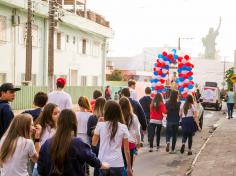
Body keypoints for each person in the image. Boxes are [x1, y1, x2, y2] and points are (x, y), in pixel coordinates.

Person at [37, 109, 109, 176]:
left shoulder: (47, 143)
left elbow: (40, 169)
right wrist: (104, 165)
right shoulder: (78, 143)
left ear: (58, 122)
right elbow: (92, 159)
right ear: (74, 123)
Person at [92, 101, 133, 176]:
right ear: (118, 112)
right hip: (118, 164)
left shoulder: (100, 125)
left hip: (103, 163)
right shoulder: (123, 127)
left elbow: (94, 143)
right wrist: (129, 168)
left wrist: (98, 122)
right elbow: (126, 150)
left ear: (106, 112)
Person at [32, 103, 61, 176]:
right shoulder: (47, 130)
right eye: (55, 113)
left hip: (43, 166)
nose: (58, 115)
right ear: (48, 115)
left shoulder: (55, 127)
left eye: (59, 112)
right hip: (45, 167)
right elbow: (40, 151)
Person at [119, 97, 141, 170]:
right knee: (129, 167)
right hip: (130, 143)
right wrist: (138, 142)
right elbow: (137, 131)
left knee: (120, 166)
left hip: (118, 143)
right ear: (129, 105)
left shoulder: (117, 117)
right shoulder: (133, 117)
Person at [87, 97, 106, 176]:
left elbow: (88, 133)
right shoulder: (108, 118)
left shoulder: (92, 117)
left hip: (95, 145)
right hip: (105, 145)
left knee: (97, 166)